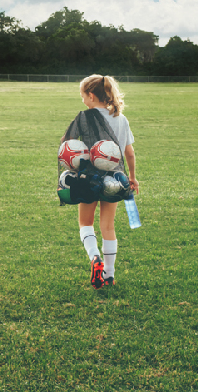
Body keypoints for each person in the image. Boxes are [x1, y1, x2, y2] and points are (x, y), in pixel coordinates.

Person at [66, 75, 139, 289]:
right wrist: (132, 178)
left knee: (85, 224)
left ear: (90, 95)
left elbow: (66, 146)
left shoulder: (83, 117)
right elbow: (129, 153)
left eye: (82, 96)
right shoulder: (121, 119)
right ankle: (109, 275)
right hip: (115, 178)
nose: (82, 101)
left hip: (88, 178)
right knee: (108, 226)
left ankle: (95, 258)